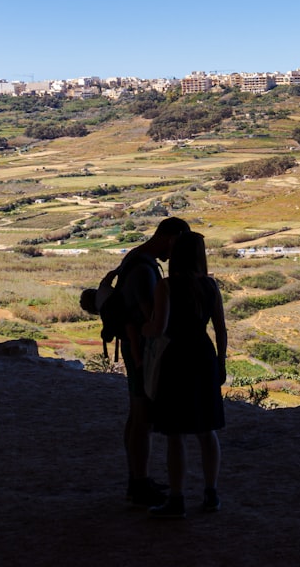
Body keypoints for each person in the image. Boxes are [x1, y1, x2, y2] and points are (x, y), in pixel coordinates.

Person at [144, 230, 227, 518]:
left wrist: (140, 327)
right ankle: (211, 494)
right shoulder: (211, 286)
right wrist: (222, 361)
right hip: (204, 356)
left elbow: (159, 328)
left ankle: (177, 499)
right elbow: (220, 328)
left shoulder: (166, 287)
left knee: (175, 433)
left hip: (176, 358)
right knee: (207, 430)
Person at [115, 216, 191, 507]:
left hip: (136, 347)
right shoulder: (144, 270)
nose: (175, 254)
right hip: (142, 351)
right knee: (142, 417)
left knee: (137, 416)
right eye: (177, 246)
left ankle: (138, 478)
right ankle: (139, 483)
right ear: (170, 238)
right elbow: (151, 317)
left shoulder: (137, 259)